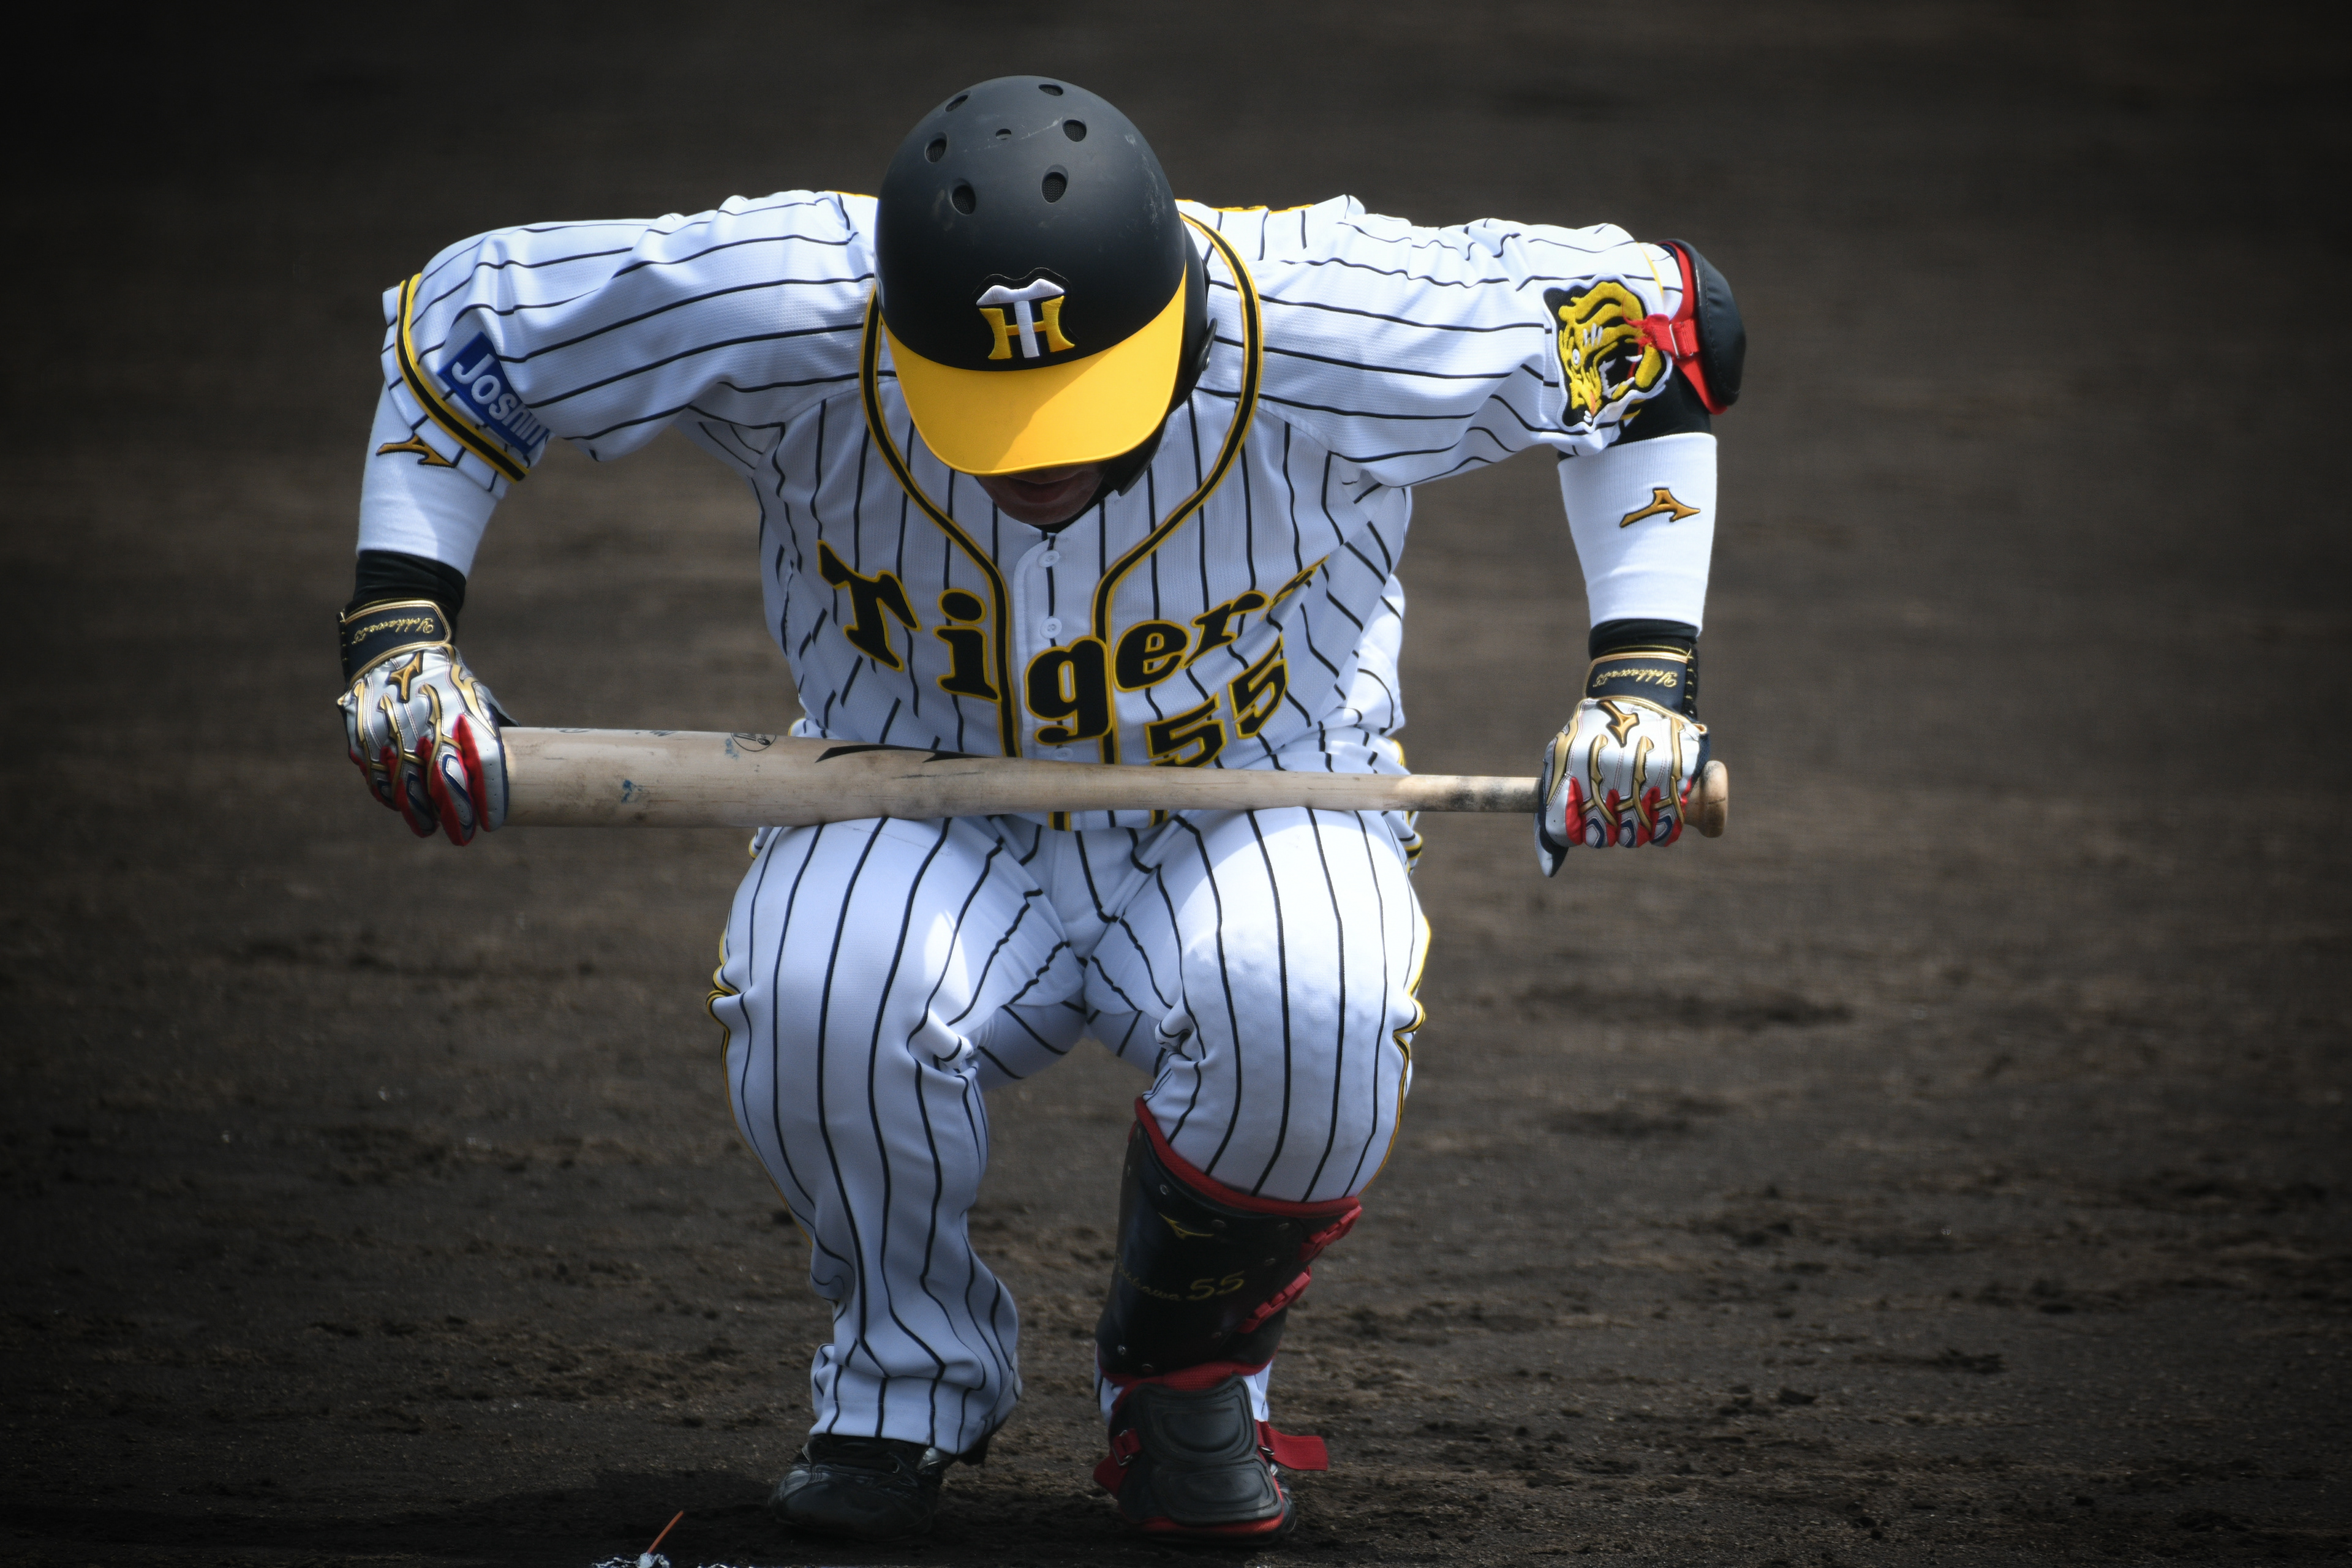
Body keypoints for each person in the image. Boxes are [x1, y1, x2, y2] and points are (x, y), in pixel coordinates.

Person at [335, 75, 1740, 1544]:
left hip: (1257, 799)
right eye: (991, 410)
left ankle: (1187, 1380)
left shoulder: (1339, 311)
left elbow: (1666, 331)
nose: (1038, 460)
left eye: (1078, 405)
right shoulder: (792, 298)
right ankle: (898, 1385)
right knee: (822, 982)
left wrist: (1643, 674)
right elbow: (467, 324)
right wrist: (401, 629)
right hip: (900, 796)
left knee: (1312, 993)